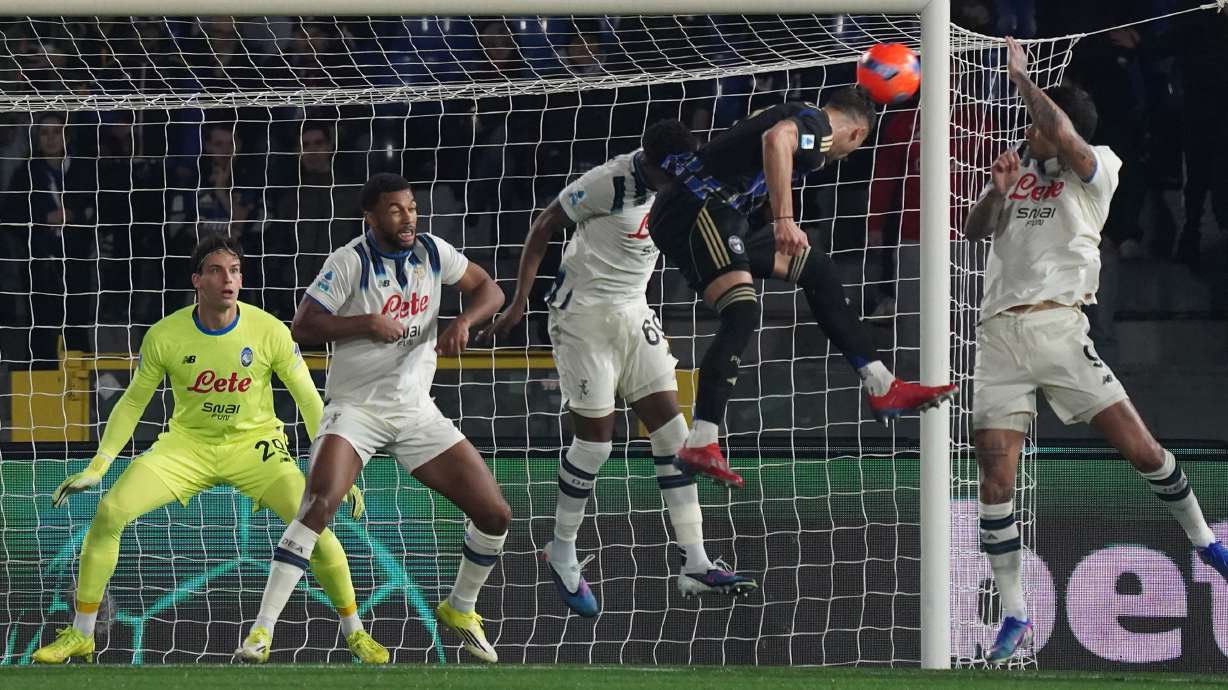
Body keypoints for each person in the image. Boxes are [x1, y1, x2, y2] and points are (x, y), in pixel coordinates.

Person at [962, 37, 1228, 665]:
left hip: (1061, 329)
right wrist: (998, 190)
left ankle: (1203, 540)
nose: (1030, 132)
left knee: (1142, 450)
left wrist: (1025, 80)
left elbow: (1061, 129)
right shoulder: (1018, 170)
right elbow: (977, 232)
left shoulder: (1098, 165)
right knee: (995, 476)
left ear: (1061, 129)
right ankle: (1015, 613)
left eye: (1038, 124)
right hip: (999, 335)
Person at [32, 233, 386, 664]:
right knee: (110, 512)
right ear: (197, 280)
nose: (228, 280)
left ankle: (356, 634)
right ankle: (81, 633)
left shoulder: (270, 330)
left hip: (255, 447)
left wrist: (336, 467)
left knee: (315, 529)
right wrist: (100, 464)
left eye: (234, 271)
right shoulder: (165, 335)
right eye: (217, 271)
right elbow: (132, 402)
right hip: (187, 447)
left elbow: (309, 399)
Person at [480, 121, 757, 617]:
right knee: (596, 443)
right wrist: (520, 299)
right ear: (649, 163)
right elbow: (545, 224)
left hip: (633, 313)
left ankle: (694, 561)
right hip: (582, 315)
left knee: (675, 437)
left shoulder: (685, 183)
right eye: (667, 174)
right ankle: (561, 548)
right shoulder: (611, 182)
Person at [236, 173, 510, 663]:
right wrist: (366, 322)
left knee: (495, 514)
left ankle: (461, 608)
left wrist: (464, 321)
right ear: (371, 215)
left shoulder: (432, 251)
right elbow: (302, 326)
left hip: (415, 412)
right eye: (395, 209)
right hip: (355, 410)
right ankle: (260, 633)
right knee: (318, 505)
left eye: (411, 207)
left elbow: (491, 289)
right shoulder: (348, 262)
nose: (408, 218)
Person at [646, 86, 957, 488]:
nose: (837, 160)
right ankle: (702, 440)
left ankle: (882, 384)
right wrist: (784, 219)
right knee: (741, 311)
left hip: (721, 213)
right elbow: (775, 140)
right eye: (850, 152)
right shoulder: (819, 125)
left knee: (818, 270)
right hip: (699, 208)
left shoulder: (799, 113)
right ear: (856, 135)